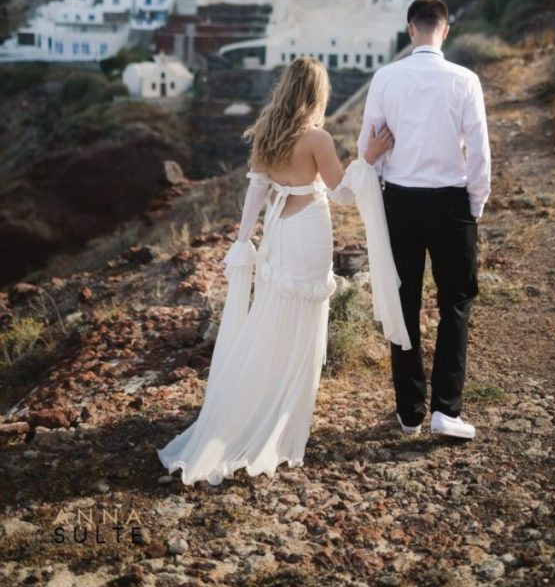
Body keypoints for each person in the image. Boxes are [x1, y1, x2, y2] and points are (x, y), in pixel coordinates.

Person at [157, 56, 410, 485]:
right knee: (302, 318)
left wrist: (243, 240)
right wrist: (368, 157)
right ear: (317, 94)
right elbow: (343, 193)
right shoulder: (317, 139)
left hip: (277, 232)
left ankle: (257, 402)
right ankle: (283, 416)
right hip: (308, 230)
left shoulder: (267, 131)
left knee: (272, 316)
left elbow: (256, 191)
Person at [357, 0, 491, 440]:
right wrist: (475, 204)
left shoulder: (386, 78)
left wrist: (382, 184)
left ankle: (410, 413)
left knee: (404, 304)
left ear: (411, 29)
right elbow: (479, 151)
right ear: (445, 30)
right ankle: (446, 411)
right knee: (455, 303)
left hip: (399, 203)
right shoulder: (465, 79)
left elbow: (367, 147)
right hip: (452, 202)